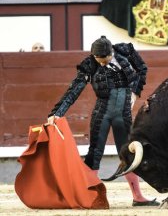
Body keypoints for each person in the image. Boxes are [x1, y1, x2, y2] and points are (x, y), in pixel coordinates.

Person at [47, 36, 159, 207]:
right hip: (102, 112)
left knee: (128, 154)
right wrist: (57, 112)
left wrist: (135, 93)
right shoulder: (90, 64)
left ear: (111, 53)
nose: (100, 64)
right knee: (95, 153)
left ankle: (137, 196)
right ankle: (90, 197)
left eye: (103, 60)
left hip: (123, 113)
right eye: (97, 60)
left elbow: (142, 68)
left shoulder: (125, 52)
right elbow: (74, 90)